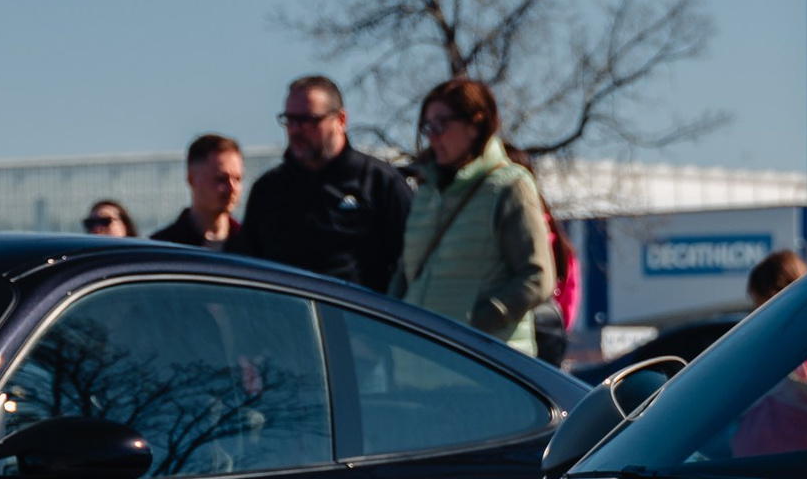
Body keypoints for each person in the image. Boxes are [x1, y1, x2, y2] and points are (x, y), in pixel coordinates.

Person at [397, 77, 562, 355]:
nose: (432, 135)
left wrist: (473, 325)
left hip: (483, 367)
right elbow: (406, 275)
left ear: (475, 125)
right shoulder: (426, 190)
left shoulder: (510, 186)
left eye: (441, 125)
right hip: (418, 364)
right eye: (427, 126)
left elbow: (538, 278)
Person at [239, 75, 411, 296]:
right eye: (289, 119)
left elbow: (410, 265)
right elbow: (248, 269)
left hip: (361, 322)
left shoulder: (380, 183)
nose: (295, 130)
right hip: (285, 323)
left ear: (340, 120)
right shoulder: (268, 190)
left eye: (308, 120)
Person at [729, 246, 807, 459]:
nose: (757, 311)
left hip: (764, 467)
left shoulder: (774, 345)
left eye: (759, 302)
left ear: (775, 295)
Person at [154, 133, 245, 248]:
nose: (232, 188)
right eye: (221, 179)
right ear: (192, 179)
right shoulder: (164, 248)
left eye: (237, 179)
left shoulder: (252, 247)